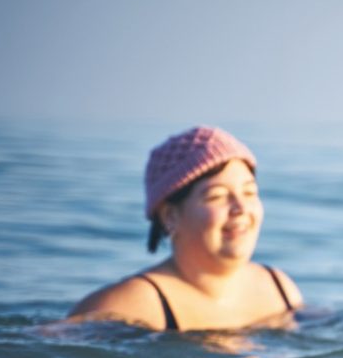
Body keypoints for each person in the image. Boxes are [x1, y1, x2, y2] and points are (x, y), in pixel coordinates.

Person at [68, 126, 302, 331]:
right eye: (217, 196)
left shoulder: (278, 287)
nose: (240, 208)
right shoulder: (133, 304)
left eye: (249, 193)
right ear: (170, 215)